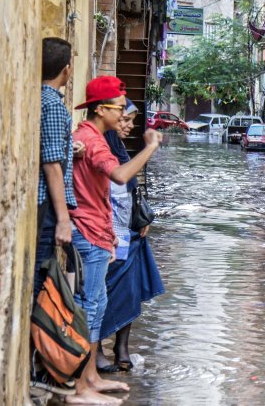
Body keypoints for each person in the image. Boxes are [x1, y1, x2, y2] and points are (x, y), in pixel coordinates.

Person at [69, 76, 163, 404]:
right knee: (89, 307)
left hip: (98, 232)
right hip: (88, 232)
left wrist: (109, 237)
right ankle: (81, 386)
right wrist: (151, 146)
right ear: (101, 109)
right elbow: (120, 176)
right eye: (120, 109)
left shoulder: (89, 136)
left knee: (96, 307)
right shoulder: (93, 140)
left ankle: (90, 377)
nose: (124, 116)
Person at [96, 99, 165, 373]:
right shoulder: (102, 147)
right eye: (124, 120)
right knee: (106, 290)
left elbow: (130, 188)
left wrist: (139, 218)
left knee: (131, 290)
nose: (128, 126)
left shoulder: (119, 147)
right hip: (111, 232)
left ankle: (121, 347)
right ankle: (97, 348)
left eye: (131, 121)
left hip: (129, 231)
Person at [35, 37, 84, 299]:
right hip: (47, 208)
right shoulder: (53, 105)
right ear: (66, 69)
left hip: (44, 206)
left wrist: (69, 147)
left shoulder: (39, 99)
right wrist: (64, 220)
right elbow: (52, 165)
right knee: (40, 281)